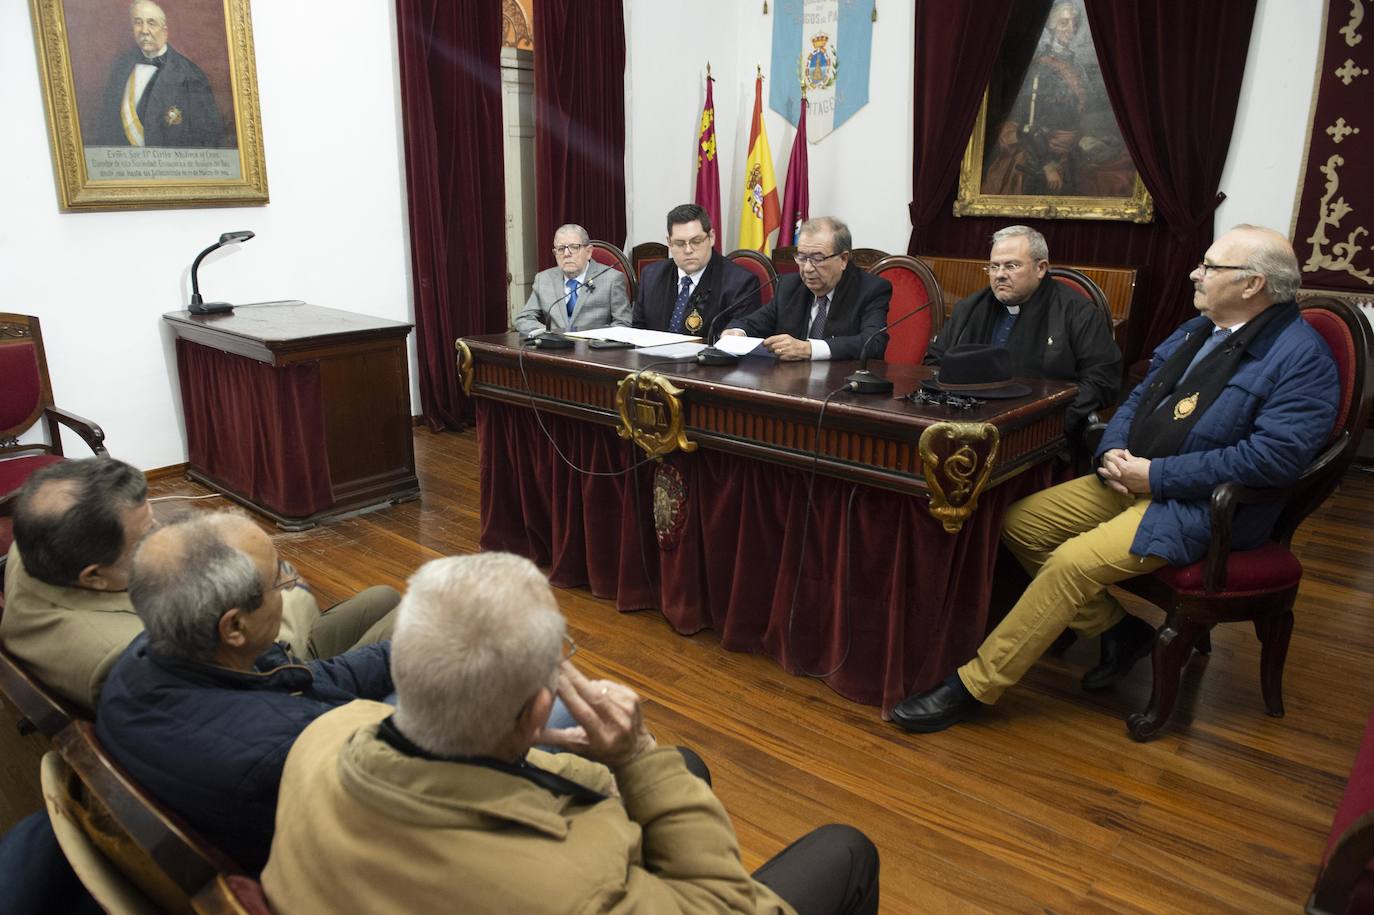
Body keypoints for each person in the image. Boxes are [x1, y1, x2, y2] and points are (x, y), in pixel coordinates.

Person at [890, 225, 1340, 733]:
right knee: (1016, 524)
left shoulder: (1302, 358)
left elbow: (1273, 460)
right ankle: (1120, 631)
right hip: (1130, 476)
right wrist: (1113, 451)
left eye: (1211, 267)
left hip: (1199, 507)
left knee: (1069, 563)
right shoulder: (1200, 329)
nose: (1197, 272)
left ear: (1253, 284)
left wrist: (1158, 476)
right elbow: (1136, 394)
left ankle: (974, 685)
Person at [263, 552, 881, 914]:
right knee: (847, 848)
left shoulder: (321, 736)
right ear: (538, 712)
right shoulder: (578, 880)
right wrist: (635, 755)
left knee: (686, 767)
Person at [95, 512, 395, 871]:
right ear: (234, 625)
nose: (288, 586)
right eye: (278, 580)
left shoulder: (148, 654)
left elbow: (308, 679)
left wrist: (412, 651)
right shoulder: (285, 748)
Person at [1, 458, 398, 708]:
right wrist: (280, 586)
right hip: (269, 688)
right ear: (95, 575)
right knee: (411, 624)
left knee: (383, 597)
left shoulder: (37, 542)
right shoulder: (123, 658)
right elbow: (251, 663)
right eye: (144, 535)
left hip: (235, 661)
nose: (158, 532)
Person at [926, 225, 1121, 442]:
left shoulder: (1076, 312)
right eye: (994, 266)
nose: (1000, 275)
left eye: (1011, 265)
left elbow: (1102, 381)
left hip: (1040, 434)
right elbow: (934, 361)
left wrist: (1051, 422)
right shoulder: (969, 308)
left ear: (1041, 268)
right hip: (963, 428)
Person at [722, 217, 891, 361]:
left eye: (818, 259)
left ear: (843, 259)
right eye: (802, 257)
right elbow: (753, 322)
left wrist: (809, 349)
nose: (807, 268)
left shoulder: (870, 290)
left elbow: (873, 343)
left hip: (842, 386)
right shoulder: (790, 285)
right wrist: (737, 332)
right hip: (791, 384)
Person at [96, 1, 225, 148]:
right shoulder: (120, 69)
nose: (144, 30)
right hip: (124, 167)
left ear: (165, 31)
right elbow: (106, 127)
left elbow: (208, 138)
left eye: (151, 23)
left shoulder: (191, 75)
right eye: (138, 22)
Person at [633, 203, 761, 343]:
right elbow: (638, 331)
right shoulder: (651, 276)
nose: (688, 250)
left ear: (711, 237)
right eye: (680, 243)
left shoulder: (741, 283)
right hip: (652, 362)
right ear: (669, 242)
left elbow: (740, 337)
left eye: (696, 241)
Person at [513, 224, 632, 336]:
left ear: (589, 251)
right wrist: (549, 334)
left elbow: (624, 323)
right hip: (554, 351)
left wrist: (596, 340)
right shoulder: (544, 279)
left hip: (593, 352)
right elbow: (524, 319)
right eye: (560, 249)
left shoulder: (611, 279)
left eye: (574, 247)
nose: (566, 254)